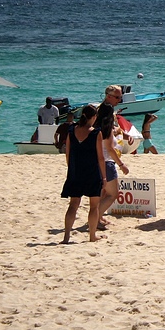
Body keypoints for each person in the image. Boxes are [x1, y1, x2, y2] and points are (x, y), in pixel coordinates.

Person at [60, 106, 105, 243]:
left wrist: (71, 169)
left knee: (73, 204)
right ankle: (92, 236)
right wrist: (104, 176)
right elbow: (100, 158)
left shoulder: (72, 130)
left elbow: (68, 152)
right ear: (93, 117)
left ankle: (67, 236)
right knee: (94, 205)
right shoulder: (96, 133)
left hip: (75, 172)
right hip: (92, 171)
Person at [95, 104, 129, 224]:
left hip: (95, 163)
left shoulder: (95, 128)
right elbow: (110, 149)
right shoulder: (106, 129)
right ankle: (95, 218)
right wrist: (121, 164)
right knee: (112, 194)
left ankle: (97, 218)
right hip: (107, 163)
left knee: (101, 193)